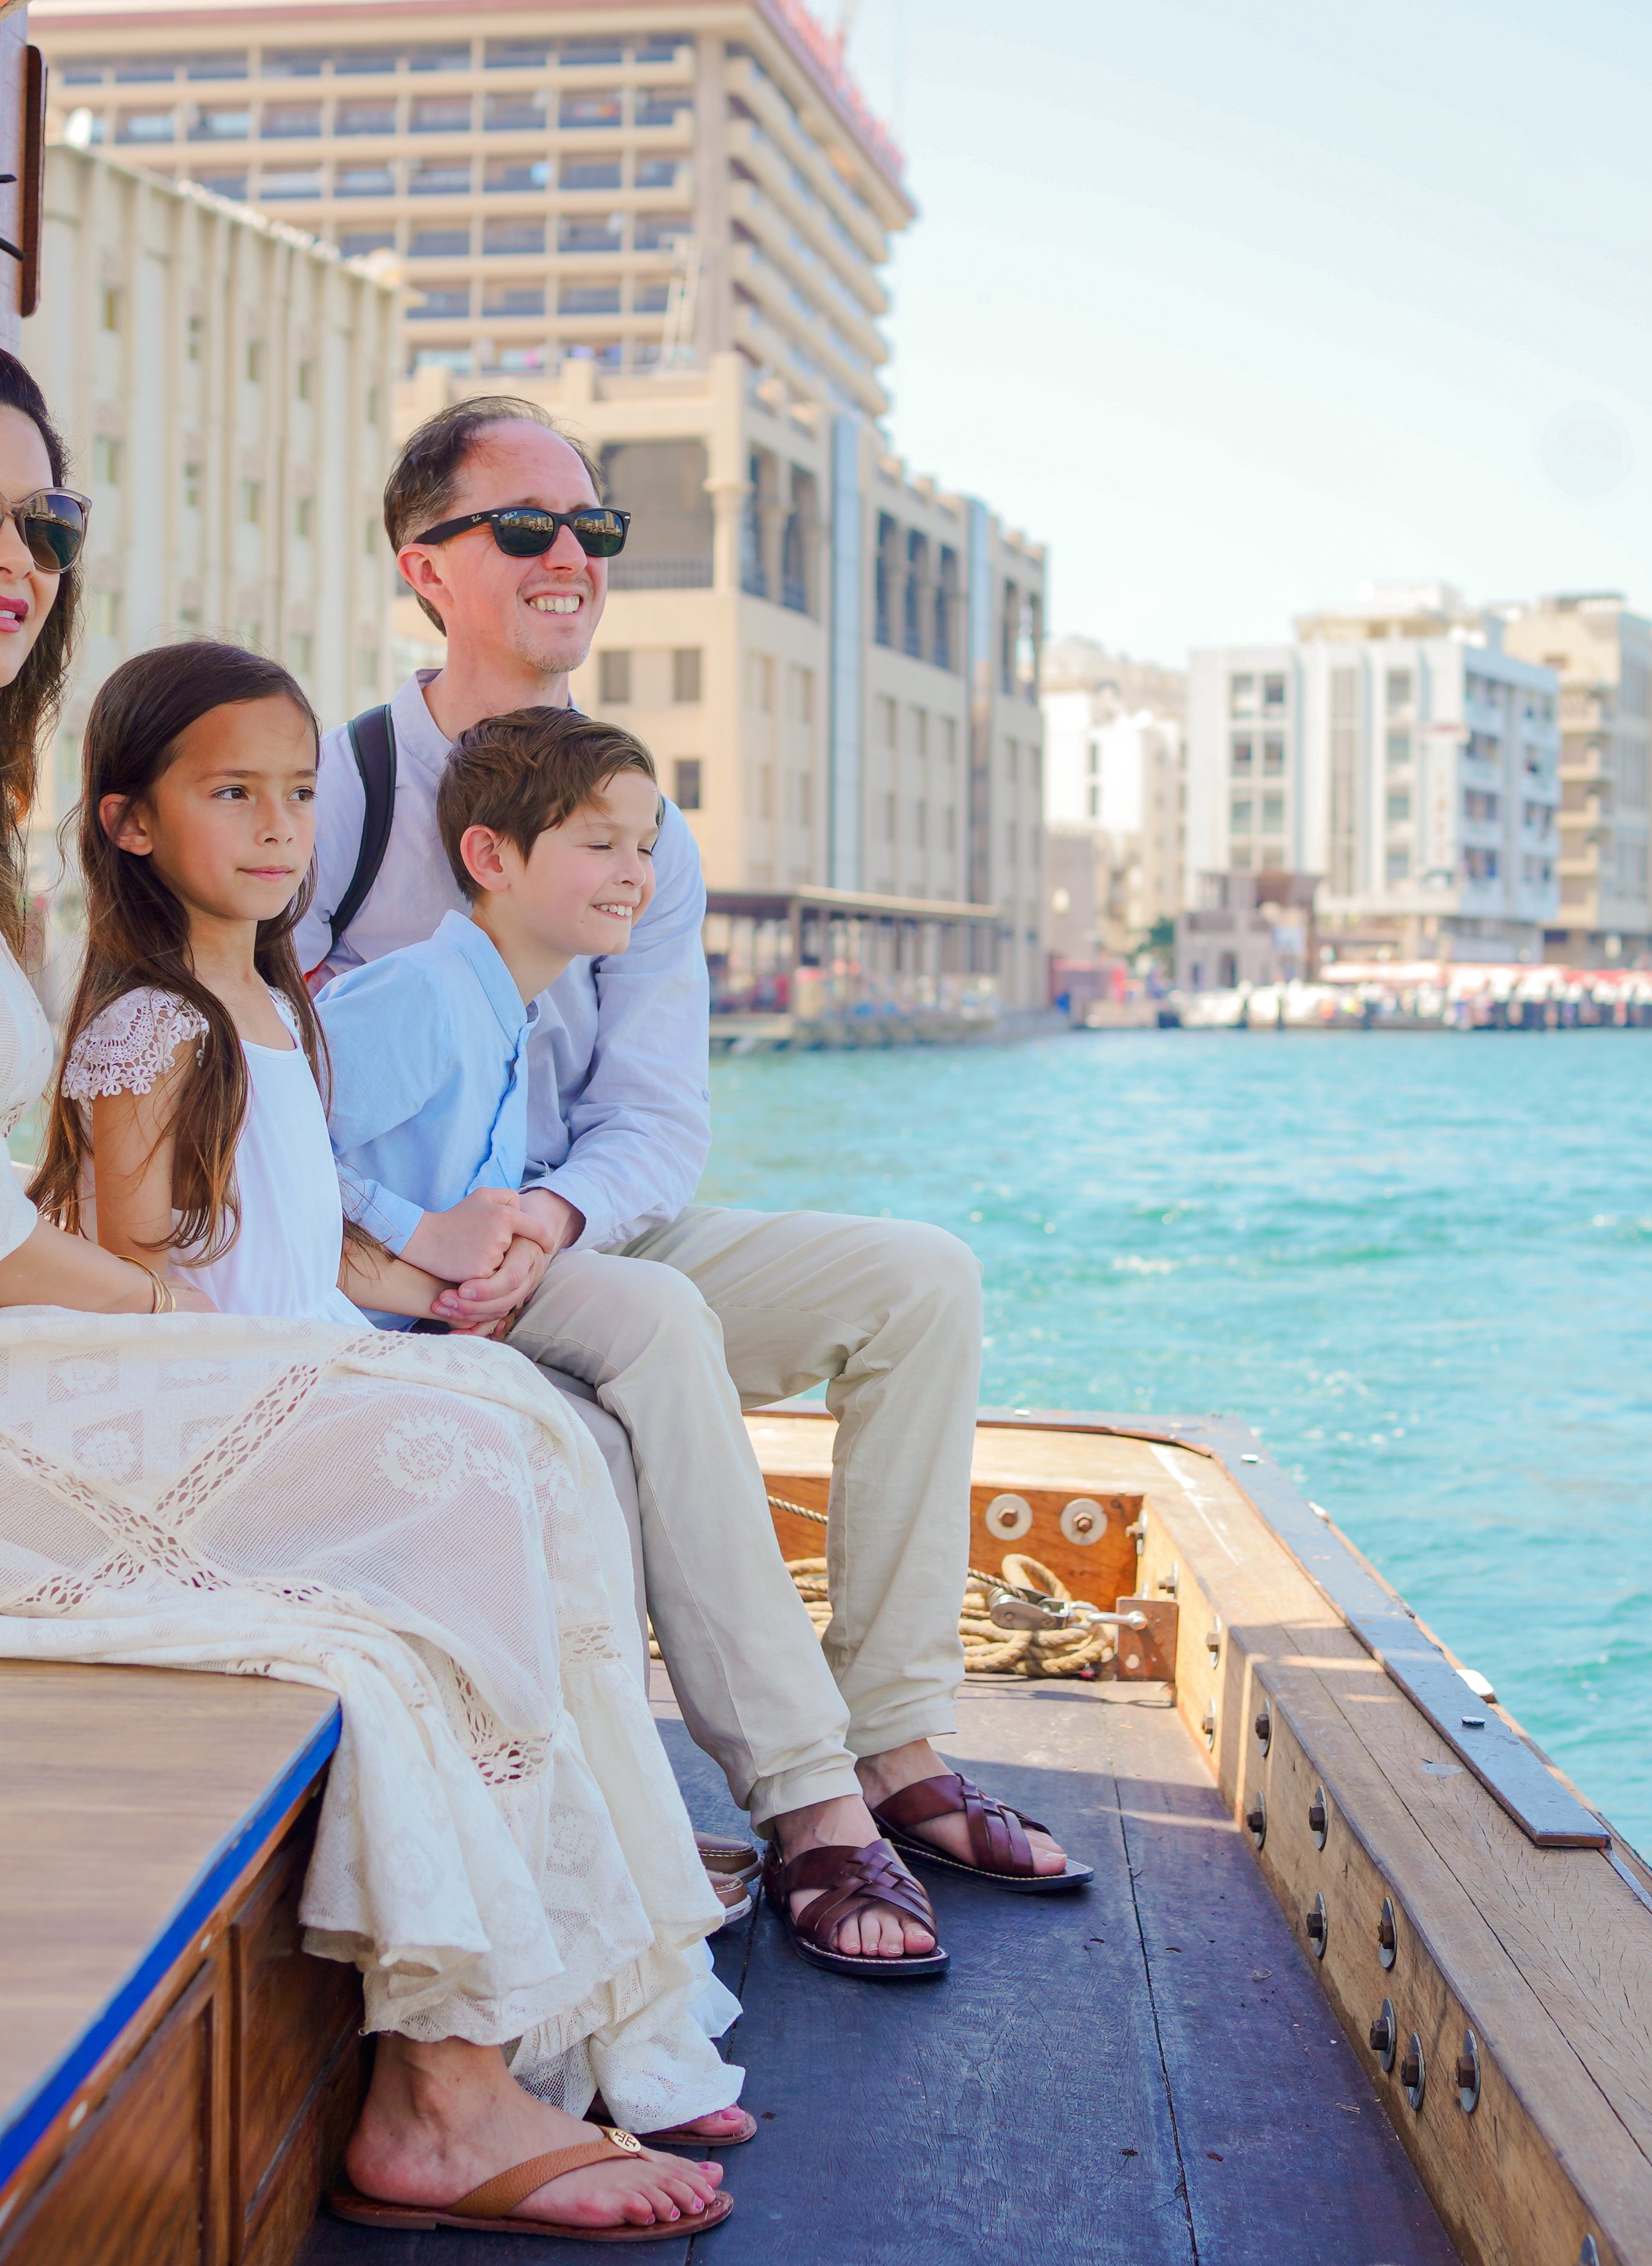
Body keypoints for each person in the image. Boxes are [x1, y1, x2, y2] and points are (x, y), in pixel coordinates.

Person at [0, 334, 731, 2242]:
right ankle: (439, 2087)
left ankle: (541, 2018)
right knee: (450, 1451)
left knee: (494, 1421)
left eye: (43, 518)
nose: (10, 550)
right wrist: (199, 1329)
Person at [296, 397, 1088, 1983]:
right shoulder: (338, 789)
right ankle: (805, 1808)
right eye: (524, 528)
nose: (570, 557)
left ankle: (895, 1747)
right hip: (398, 1264)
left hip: (571, 1230)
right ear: (423, 568)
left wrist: (553, 1218)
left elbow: (656, 1122)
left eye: (592, 529)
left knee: (917, 1276)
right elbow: (257, 1072)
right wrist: (433, 1237)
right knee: (651, 1315)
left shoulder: (646, 829)